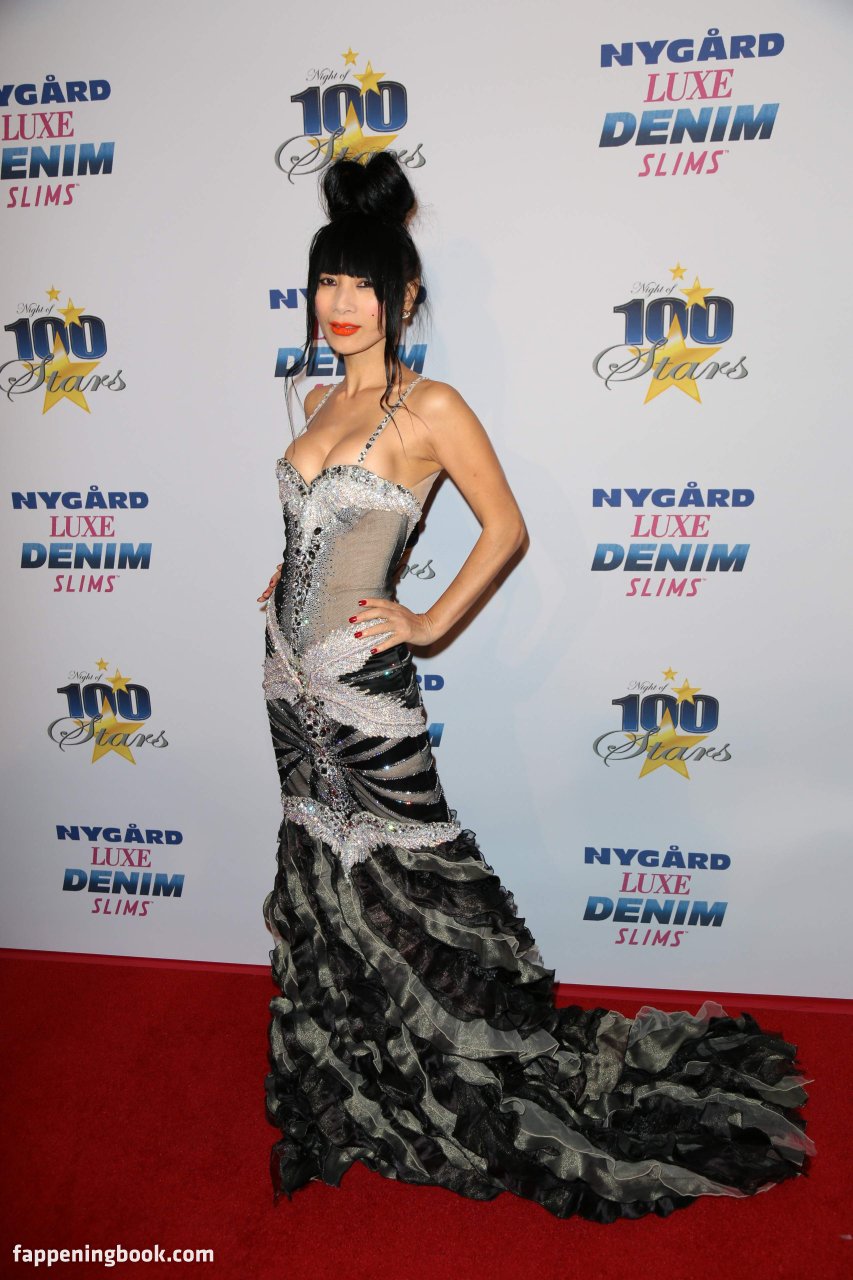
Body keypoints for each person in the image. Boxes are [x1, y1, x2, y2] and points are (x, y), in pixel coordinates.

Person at [257, 152, 814, 1222]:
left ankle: (460, 1066)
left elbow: (505, 529)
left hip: (364, 688)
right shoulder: (316, 397)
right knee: (321, 868)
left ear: (404, 296)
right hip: (286, 683)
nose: (341, 302)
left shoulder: (431, 406)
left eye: (363, 282)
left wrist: (425, 621)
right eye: (327, 280)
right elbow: (317, 523)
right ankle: (361, 1063)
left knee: (412, 876)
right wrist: (287, 571)